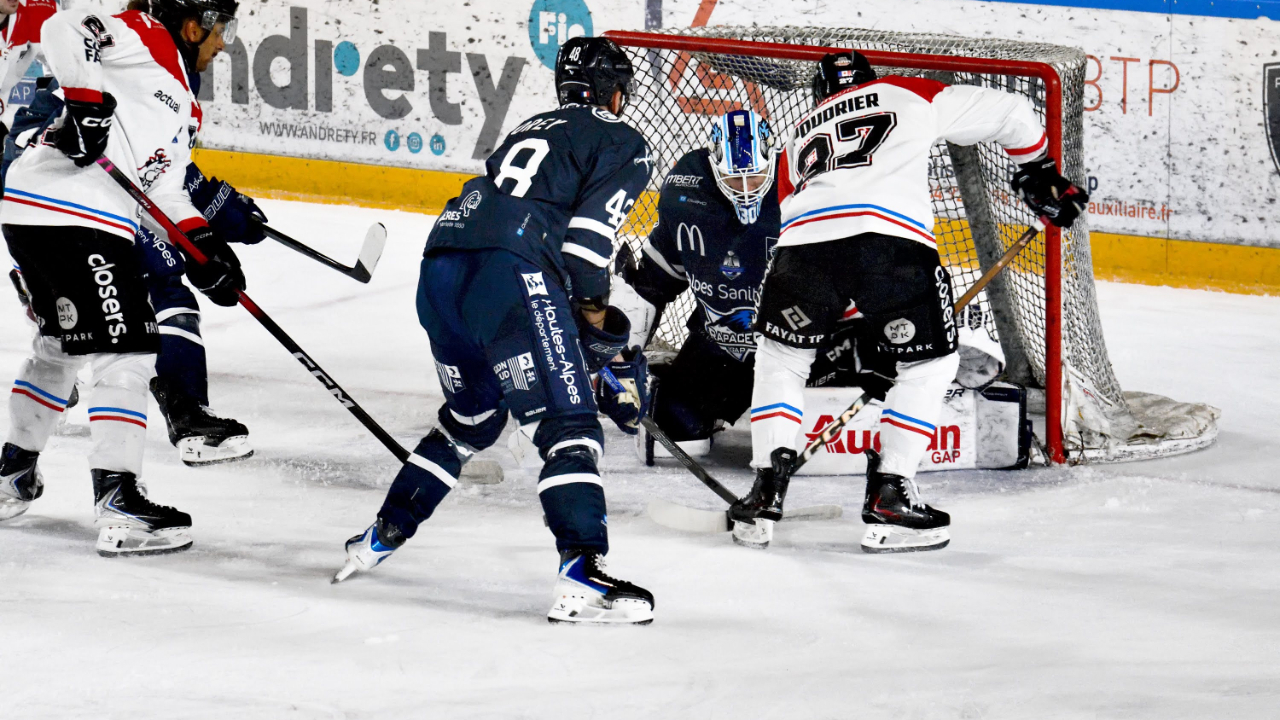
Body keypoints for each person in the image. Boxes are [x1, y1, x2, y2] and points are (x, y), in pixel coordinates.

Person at [333, 36, 656, 625]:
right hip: (507, 274)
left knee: (473, 420)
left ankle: (382, 534)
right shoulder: (623, 140)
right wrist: (592, 322)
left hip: (441, 270)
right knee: (569, 426)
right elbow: (586, 249)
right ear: (615, 91)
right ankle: (582, 572)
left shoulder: (530, 128)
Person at [735, 51, 1087, 553]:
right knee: (928, 367)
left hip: (800, 254)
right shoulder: (908, 91)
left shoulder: (797, 138)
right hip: (892, 246)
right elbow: (1013, 113)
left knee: (783, 360)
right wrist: (1038, 170)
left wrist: (857, 325)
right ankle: (891, 496)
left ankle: (765, 491)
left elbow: (812, 226)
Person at [0, 0, 245, 556]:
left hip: (36, 209)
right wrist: (87, 106)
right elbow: (65, 25)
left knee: (60, 345)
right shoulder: (145, 37)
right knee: (129, 351)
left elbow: (165, 190)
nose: (223, 44)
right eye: (220, 29)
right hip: (77, 214)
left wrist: (203, 249)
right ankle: (118, 501)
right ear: (194, 23)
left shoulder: (180, 100)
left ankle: (11, 473)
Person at [615, 108, 892, 461]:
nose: (746, 190)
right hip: (723, 348)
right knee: (673, 442)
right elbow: (653, 282)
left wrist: (875, 345)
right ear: (715, 170)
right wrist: (620, 357)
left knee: (822, 452)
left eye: (756, 177)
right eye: (734, 180)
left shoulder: (807, 191)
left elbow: (859, 285)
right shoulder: (686, 195)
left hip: (806, 352)